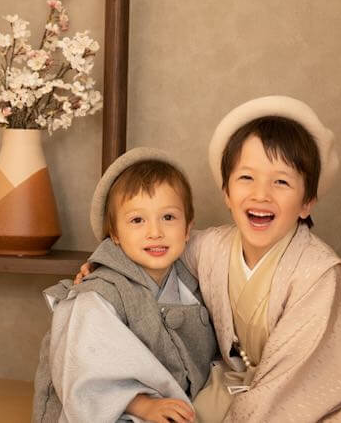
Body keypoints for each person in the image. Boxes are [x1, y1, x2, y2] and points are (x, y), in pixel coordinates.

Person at [78, 96, 341, 422]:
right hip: (241, 382)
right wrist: (107, 265)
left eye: (281, 181)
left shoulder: (317, 276)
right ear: (226, 192)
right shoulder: (211, 247)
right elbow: (158, 246)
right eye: (246, 178)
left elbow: (299, 383)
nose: (261, 194)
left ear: (306, 202)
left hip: (323, 385)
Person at [32, 148, 218, 423]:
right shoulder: (98, 295)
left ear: (188, 228)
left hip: (181, 403)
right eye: (137, 220)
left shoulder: (192, 279)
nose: (155, 232)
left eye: (168, 217)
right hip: (115, 411)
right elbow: (84, 371)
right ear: (115, 234)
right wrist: (144, 406)